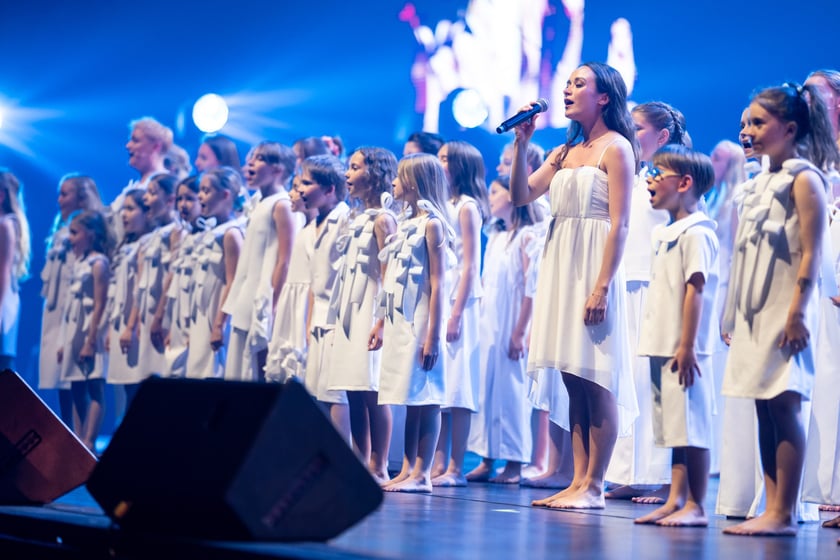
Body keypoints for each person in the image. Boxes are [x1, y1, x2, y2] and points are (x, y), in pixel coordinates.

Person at [510, 61, 638, 510]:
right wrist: (523, 143)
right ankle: (578, 479)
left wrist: (602, 286)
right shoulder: (564, 152)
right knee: (572, 376)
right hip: (561, 264)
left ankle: (595, 485)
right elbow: (522, 195)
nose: (567, 90)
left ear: (603, 97)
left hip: (593, 265)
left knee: (596, 376)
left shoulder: (616, 148)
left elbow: (621, 224)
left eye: (578, 84)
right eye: (566, 83)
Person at [721, 82, 838, 536]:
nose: (748, 131)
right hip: (755, 310)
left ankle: (784, 511)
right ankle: (771, 506)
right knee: (763, 408)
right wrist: (732, 313)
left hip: (784, 309)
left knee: (784, 405)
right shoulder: (757, 183)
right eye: (746, 123)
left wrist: (797, 313)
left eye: (759, 123)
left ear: (790, 128)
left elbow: (811, 250)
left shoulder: (805, 178)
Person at [634, 145, 719, 527]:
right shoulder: (664, 231)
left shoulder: (697, 234)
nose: (650, 179)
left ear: (684, 183)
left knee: (692, 425)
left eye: (658, 172)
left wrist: (687, 345)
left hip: (684, 347)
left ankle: (696, 505)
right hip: (661, 341)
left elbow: (695, 290)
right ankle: (675, 497)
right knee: (672, 424)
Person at [605, 101, 686, 502]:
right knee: (631, 381)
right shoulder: (634, 175)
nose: (628, 132)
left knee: (659, 382)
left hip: (657, 285)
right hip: (627, 283)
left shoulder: (673, 177)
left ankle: (667, 477)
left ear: (662, 136)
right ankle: (633, 472)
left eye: (637, 128)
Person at [379, 153, 451, 493]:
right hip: (401, 322)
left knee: (427, 394)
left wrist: (433, 336)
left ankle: (423, 473)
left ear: (414, 182)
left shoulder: (432, 224)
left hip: (423, 320)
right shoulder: (405, 222)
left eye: (399, 176)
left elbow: (438, 282)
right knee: (409, 396)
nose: (393, 182)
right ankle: (408, 467)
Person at [327, 147, 399, 484]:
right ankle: (359, 457)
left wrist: (382, 320)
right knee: (353, 388)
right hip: (349, 310)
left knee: (372, 389)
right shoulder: (355, 217)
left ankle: (379, 463)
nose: (347, 174)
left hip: (371, 307)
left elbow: (388, 272)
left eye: (354, 168)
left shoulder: (384, 219)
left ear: (374, 173)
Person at [466, 175, 542, 483]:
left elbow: (530, 288)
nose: (490, 198)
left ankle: (513, 461)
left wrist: (520, 331)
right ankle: (487, 457)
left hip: (512, 322)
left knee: (512, 393)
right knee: (488, 390)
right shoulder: (496, 236)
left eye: (494, 192)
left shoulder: (527, 236)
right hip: (490, 322)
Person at [432, 140, 487, 487]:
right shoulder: (442, 204)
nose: (438, 164)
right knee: (440, 386)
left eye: (444, 159)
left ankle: (455, 466)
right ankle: (437, 463)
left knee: (459, 386)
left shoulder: (467, 207)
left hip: (460, 302)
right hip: (440, 302)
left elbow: (470, 264)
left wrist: (455, 312)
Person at [223, 142, 299, 382]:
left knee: (259, 370)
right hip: (246, 296)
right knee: (241, 370)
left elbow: (285, 258)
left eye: (259, 159)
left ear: (278, 169)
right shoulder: (259, 202)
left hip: (263, 298)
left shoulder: (282, 204)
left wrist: (274, 304)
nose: (250, 164)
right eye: (250, 159)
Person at [40, 173, 102, 425]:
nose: (59, 199)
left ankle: (81, 437)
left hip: (75, 308)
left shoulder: (88, 233)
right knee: (59, 377)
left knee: (75, 377)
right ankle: (67, 433)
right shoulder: (60, 232)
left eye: (65, 194)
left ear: (81, 197)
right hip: (55, 311)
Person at [297, 155, 351, 438]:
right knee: (318, 390)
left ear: (330, 189)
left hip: (337, 318)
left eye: (307, 183)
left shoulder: (344, 219)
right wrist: (308, 321)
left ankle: (344, 460)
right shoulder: (318, 221)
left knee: (335, 393)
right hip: (318, 317)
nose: (301, 189)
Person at [57, 210, 111, 452]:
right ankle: (78, 439)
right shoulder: (79, 263)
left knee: (94, 386)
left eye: (75, 232)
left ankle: (90, 439)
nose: (70, 238)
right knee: (77, 386)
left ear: (91, 234)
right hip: (74, 331)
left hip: (91, 332)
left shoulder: (98, 263)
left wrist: (91, 340)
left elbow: (100, 303)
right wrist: (63, 341)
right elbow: (69, 306)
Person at [185, 167, 244, 380]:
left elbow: (233, 281)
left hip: (216, 315)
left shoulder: (231, 234)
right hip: (201, 315)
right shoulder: (210, 231)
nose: (200, 196)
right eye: (200, 191)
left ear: (225, 194)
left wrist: (219, 325)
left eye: (206, 191)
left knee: (213, 375)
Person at [264, 175, 317, 383]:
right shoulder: (303, 228)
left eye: (297, 188)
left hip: (303, 304)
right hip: (291, 301)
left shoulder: (315, 231)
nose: (292, 194)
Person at [106, 189, 152, 409]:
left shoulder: (147, 246)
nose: (124, 214)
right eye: (123, 209)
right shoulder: (125, 246)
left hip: (134, 323)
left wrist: (131, 326)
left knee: (137, 387)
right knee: (124, 387)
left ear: (146, 212)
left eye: (131, 209)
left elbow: (139, 289)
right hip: (120, 322)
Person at [136, 173, 179, 380]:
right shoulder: (152, 235)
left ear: (171, 200)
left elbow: (171, 275)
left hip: (161, 315)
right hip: (147, 314)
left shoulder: (175, 232)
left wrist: (159, 317)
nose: (146, 199)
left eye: (152, 193)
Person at [160, 175, 201, 378]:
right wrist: (164, 320)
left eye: (190, 199)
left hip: (195, 316)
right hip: (178, 316)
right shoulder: (183, 234)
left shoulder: (208, 237)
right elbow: (173, 279)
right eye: (180, 199)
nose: (183, 205)